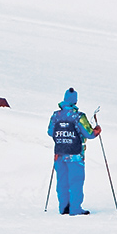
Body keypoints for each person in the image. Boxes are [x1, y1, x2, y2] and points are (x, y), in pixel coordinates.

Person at [48, 88, 100, 216]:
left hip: (59, 154)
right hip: (75, 155)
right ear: (75, 101)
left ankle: (63, 207)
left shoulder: (56, 115)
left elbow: (50, 132)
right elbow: (89, 134)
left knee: (62, 181)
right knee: (75, 181)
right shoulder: (78, 116)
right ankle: (75, 209)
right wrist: (97, 130)